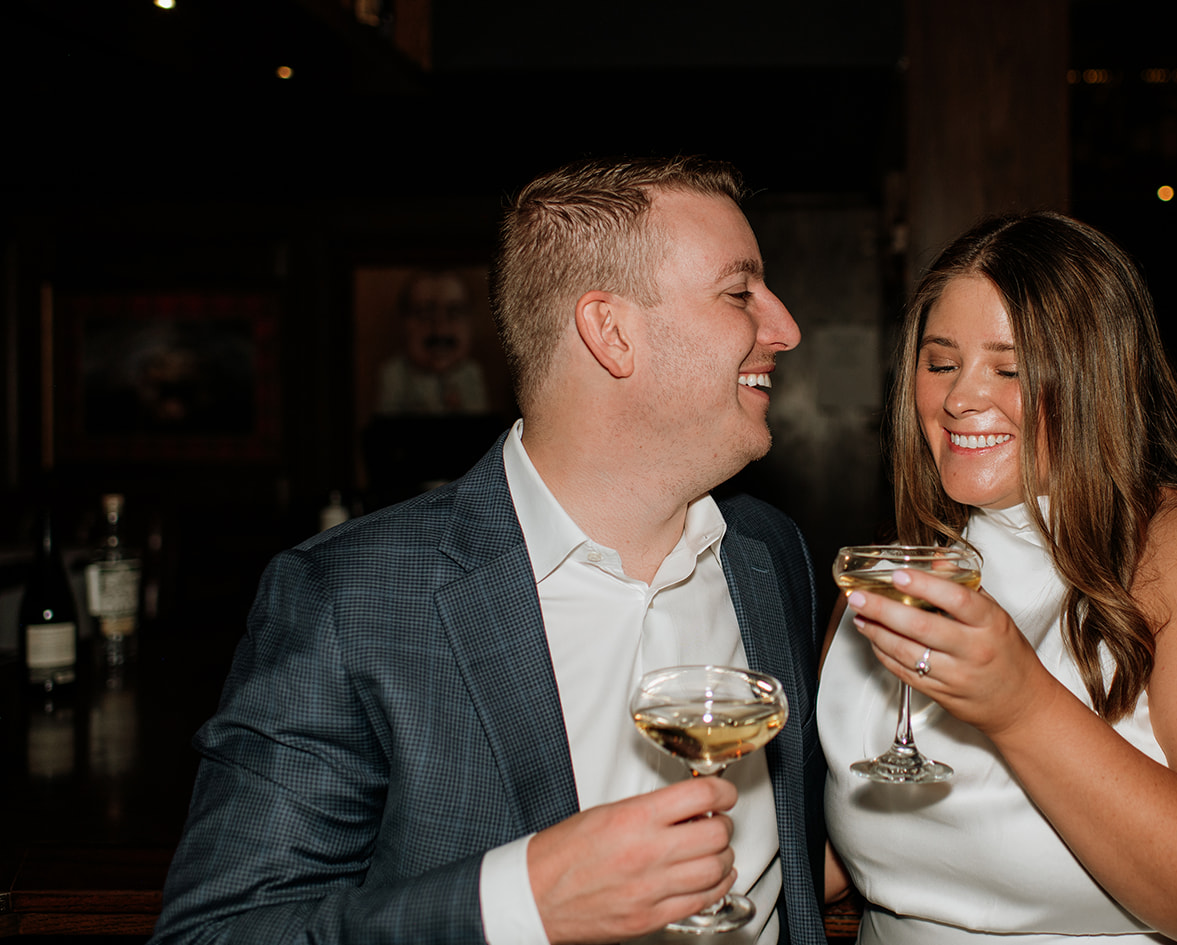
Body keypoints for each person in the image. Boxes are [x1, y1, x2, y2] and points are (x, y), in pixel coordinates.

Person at [152, 157, 828, 945]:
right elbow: (217, 932)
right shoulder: (350, 601)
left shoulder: (768, 553)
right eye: (741, 292)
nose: (784, 327)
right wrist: (526, 901)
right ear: (610, 331)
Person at [818, 212, 1177, 945]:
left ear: (1095, 379)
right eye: (942, 363)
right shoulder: (897, 574)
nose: (963, 397)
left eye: (1012, 368)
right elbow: (837, 854)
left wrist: (1019, 706)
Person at [376, 269, 491, 415]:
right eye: (425, 314)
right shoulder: (394, 374)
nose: (440, 329)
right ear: (404, 323)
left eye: (454, 313)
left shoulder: (471, 374)